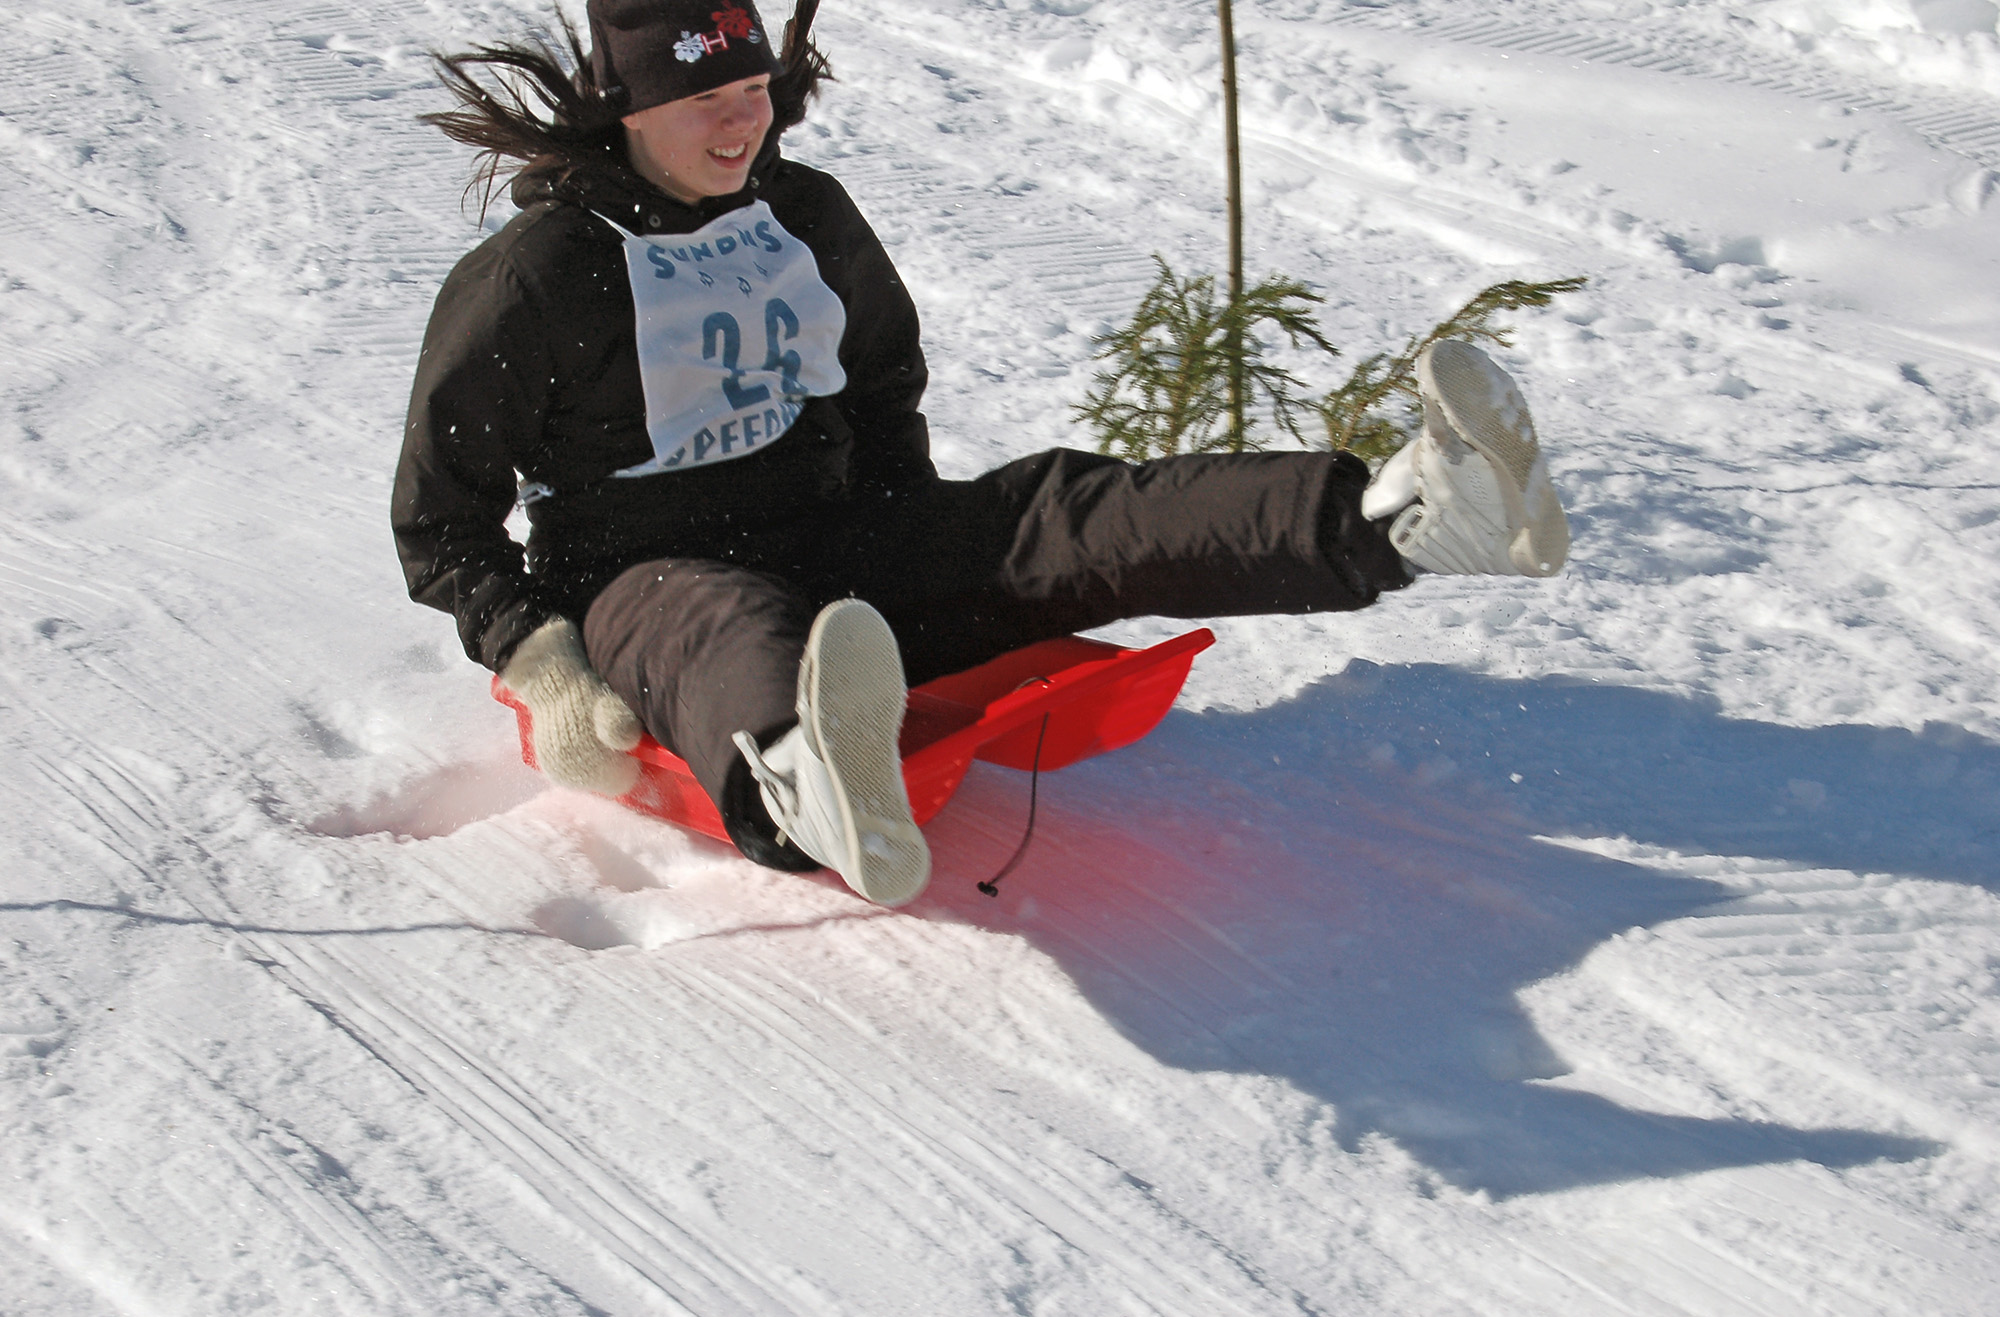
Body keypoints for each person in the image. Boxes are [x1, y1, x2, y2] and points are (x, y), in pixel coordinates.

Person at [394, 0, 1570, 909]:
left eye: (754, 86)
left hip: (832, 535)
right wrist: (541, 659)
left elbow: (880, 376)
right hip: (638, 578)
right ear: (629, 110)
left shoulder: (801, 212)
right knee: (725, 628)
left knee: (1056, 514)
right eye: (707, 99)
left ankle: (1396, 518)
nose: (742, 118)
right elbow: (439, 520)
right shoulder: (539, 275)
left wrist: (921, 539)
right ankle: (805, 776)